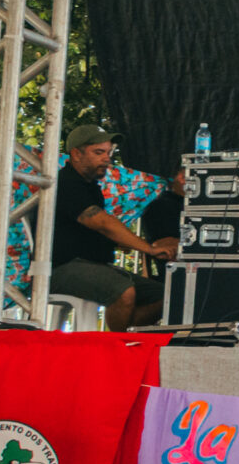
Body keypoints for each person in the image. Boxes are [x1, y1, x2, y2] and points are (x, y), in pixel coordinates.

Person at [47, 124, 169, 330]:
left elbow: (86, 230)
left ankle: (121, 337)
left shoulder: (90, 187)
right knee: (123, 291)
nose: (107, 159)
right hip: (61, 268)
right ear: (76, 154)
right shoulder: (67, 183)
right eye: (99, 152)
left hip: (93, 265)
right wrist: (149, 249)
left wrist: (117, 242)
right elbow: (101, 222)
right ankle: (115, 345)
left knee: (165, 296)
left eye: (109, 153)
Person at [139, 164, 186, 277]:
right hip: (177, 275)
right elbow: (164, 246)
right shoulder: (161, 206)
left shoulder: (189, 204)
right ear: (181, 177)